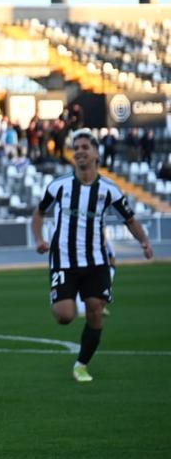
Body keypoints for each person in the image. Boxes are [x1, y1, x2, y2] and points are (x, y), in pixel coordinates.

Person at [32, 129, 154, 382]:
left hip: (96, 260)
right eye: (76, 147)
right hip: (63, 261)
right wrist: (39, 239)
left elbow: (129, 219)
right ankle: (61, 295)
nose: (79, 151)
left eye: (85, 147)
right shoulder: (59, 186)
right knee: (65, 316)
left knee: (95, 310)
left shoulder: (109, 190)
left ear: (97, 153)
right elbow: (38, 213)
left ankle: (81, 365)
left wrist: (144, 241)